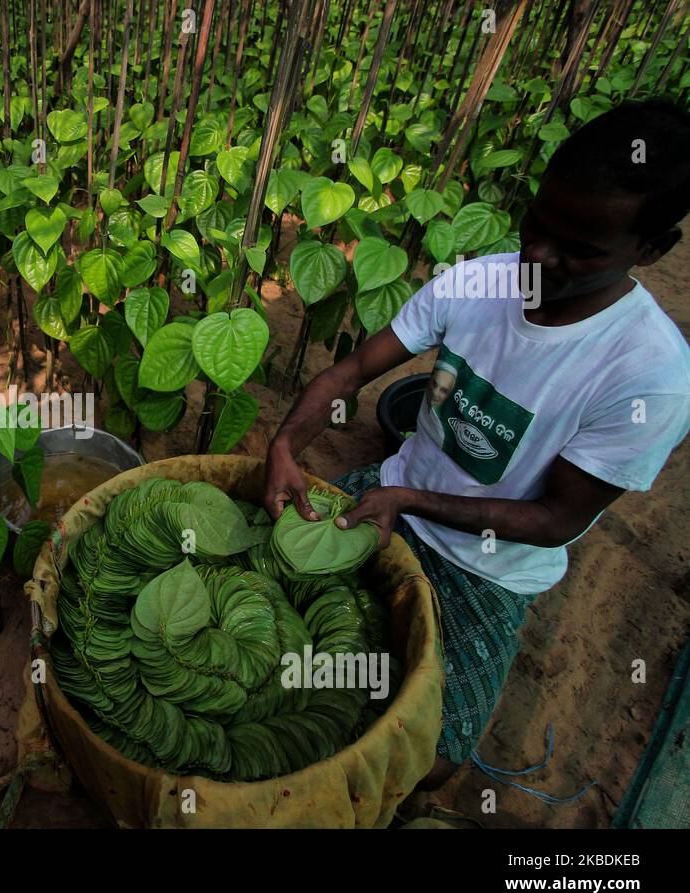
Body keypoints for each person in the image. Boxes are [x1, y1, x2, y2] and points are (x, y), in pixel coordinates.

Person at [261, 98, 690, 789]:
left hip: (490, 566)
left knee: (429, 757)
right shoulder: (480, 282)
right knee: (263, 609)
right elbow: (351, 373)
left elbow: (555, 520)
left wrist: (407, 499)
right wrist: (286, 444)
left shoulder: (649, 376)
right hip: (394, 495)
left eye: (578, 249)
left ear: (650, 250)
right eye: (536, 226)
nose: (539, 257)